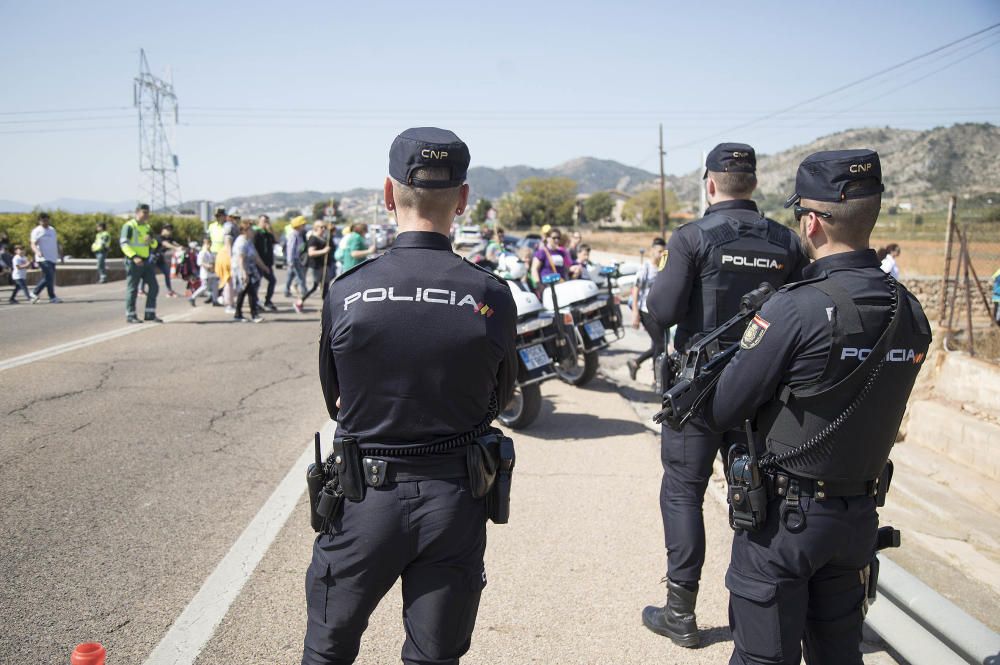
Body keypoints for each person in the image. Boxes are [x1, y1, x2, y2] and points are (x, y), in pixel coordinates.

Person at [700, 149, 931, 664]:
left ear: (810, 221)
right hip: (857, 520)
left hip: (787, 522)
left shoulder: (795, 308)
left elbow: (724, 408)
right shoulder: (910, 311)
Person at [305, 127, 517, 665]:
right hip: (454, 501)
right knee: (435, 657)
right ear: (464, 199)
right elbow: (502, 396)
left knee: (327, 651)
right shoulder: (490, 293)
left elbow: (335, 398)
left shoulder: (349, 290)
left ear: (386, 192)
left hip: (362, 500)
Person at [642, 143, 809, 647]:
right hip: (762, 396)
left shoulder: (693, 237)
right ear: (753, 185)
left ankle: (681, 614)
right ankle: (757, 617)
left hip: (698, 393)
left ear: (709, 185)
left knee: (682, 494)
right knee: (755, 497)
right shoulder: (788, 241)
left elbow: (663, 310)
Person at [627, 238, 667, 383]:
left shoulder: (663, 268)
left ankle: (637, 364)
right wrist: (635, 313)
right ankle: (657, 378)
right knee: (660, 344)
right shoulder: (645, 268)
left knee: (658, 344)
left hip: (659, 311)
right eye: (659, 251)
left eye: (664, 252)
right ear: (652, 251)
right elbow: (636, 290)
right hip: (645, 310)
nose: (662, 254)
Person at [120, 204, 161, 323]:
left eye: (148, 212)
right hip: (134, 261)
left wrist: (151, 241)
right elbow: (124, 244)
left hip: (146, 261)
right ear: (137, 212)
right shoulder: (129, 226)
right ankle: (131, 315)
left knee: (154, 286)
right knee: (132, 289)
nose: (146, 215)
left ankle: (150, 313)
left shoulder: (147, 227)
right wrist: (133, 256)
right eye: (144, 212)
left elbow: (154, 245)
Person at [232, 220, 269, 322]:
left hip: (249, 269)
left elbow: (255, 256)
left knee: (245, 292)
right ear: (245, 230)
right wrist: (244, 273)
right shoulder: (241, 242)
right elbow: (240, 259)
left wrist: (264, 267)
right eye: (251, 229)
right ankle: (253, 314)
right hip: (242, 269)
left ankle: (239, 314)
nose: (253, 231)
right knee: (249, 292)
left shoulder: (248, 241)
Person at [29, 212, 62, 304]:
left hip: (52, 257)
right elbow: (33, 244)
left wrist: (61, 253)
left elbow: (56, 242)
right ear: (39, 221)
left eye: (47, 220)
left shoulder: (52, 230)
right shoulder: (37, 231)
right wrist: (37, 252)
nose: (45, 222)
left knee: (49, 277)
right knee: (49, 276)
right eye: (43, 221)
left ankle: (51, 297)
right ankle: (36, 292)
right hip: (43, 258)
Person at [253, 215, 279, 311]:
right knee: (256, 283)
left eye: (267, 221)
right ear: (259, 222)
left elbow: (276, 240)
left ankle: (268, 301)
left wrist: (271, 230)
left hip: (268, 263)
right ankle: (255, 302)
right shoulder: (256, 233)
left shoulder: (268, 233)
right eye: (264, 221)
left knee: (272, 281)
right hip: (258, 263)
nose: (266, 223)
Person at [152, 223, 183, 297]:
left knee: (167, 273)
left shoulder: (170, 238)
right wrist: (175, 248)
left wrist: (182, 247)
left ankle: (169, 291)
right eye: (168, 229)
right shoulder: (158, 237)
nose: (170, 231)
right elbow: (165, 244)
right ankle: (141, 290)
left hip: (160, 259)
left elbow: (175, 243)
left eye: (171, 230)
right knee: (147, 274)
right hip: (152, 258)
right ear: (163, 230)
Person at [287, 216, 310, 313]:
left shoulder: (300, 235)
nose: (304, 226)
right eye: (303, 225)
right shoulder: (294, 235)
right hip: (295, 260)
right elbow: (290, 249)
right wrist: (290, 261)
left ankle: (300, 299)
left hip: (298, 260)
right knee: (302, 282)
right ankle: (299, 302)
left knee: (300, 280)